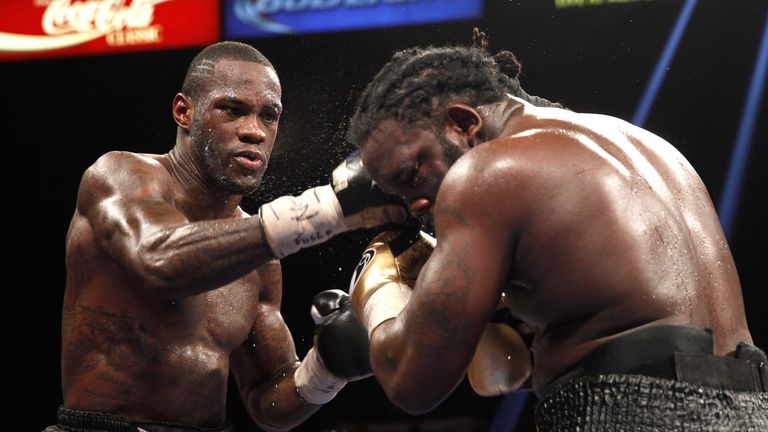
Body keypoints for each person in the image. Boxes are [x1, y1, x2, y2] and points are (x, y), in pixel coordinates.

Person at [343, 31, 768, 430]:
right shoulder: (649, 145)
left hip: (628, 412)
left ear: (462, 122)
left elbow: (413, 381)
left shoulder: (485, 172)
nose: (414, 204)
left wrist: (380, 293)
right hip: (752, 408)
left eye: (412, 172)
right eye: (397, 194)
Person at [50, 41, 403, 432]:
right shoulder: (120, 176)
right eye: (233, 110)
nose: (254, 131)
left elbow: (267, 398)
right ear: (184, 111)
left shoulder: (260, 257)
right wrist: (328, 209)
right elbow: (161, 260)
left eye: (269, 116)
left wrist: (325, 371)